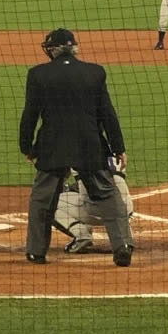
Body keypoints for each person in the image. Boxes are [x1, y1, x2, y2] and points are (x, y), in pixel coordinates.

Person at [19, 27, 134, 266]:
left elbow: (30, 115)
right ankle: (122, 244)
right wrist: (117, 147)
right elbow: (107, 114)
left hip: (53, 146)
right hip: (90, 144)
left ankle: (36, 252)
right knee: (108, 195)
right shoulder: (95, 73)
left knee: (42, 199)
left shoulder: (38, 75)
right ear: (74, 47)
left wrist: (27, 146)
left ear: (52, 50)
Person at [50, 157, 137, 253]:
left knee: (49, 202)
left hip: (96, 211)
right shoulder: (115, 153)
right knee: (115, 195)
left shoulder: (78, 154)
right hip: (125, 210)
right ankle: (125, 236)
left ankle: (81, 234)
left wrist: (70, 188)